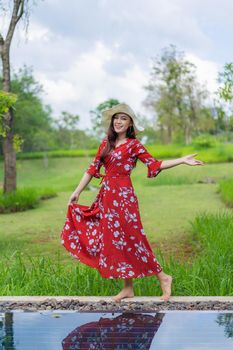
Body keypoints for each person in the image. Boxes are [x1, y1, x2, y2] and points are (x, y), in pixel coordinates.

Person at [60, 103, 204, 302]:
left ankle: (163, 277)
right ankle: (128, 287)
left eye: (123, 118)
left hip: (124, 197)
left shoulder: (134, 145)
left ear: (130, 124)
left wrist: (181, 160)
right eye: (116, 118)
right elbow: (92, 169)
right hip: (107, 197)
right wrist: (77, 192)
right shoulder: (106, 144)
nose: (118, 121)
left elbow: (154, 164)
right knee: (116, 240)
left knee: (133, 237)